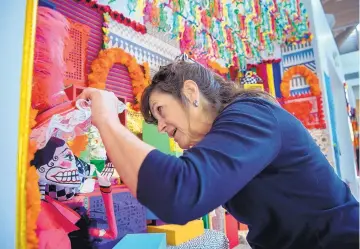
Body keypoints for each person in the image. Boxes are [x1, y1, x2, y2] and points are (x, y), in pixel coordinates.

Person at [78, 56, 359, 249]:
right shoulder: (220, 140)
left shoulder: (252, 114)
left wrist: (105, 118)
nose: (161, 127)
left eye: (161, 111)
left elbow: (179, 192)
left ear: (190, 92)